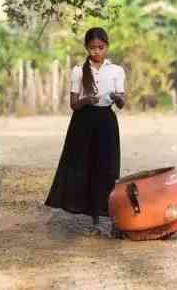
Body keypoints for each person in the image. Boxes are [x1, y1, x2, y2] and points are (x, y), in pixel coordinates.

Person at [45, 27, 126, 235]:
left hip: (106, 122)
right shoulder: (79, 71)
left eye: (100, 47)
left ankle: (110, 217)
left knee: (106, 168)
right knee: (84, 168)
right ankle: (95, 221)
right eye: (92, 48)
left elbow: (123, 102)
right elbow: (73, 104)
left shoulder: (116, 70)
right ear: (86, 48)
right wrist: (86, 99)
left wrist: (117, 98)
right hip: (83, 123)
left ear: (107, 46)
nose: (96, 51)